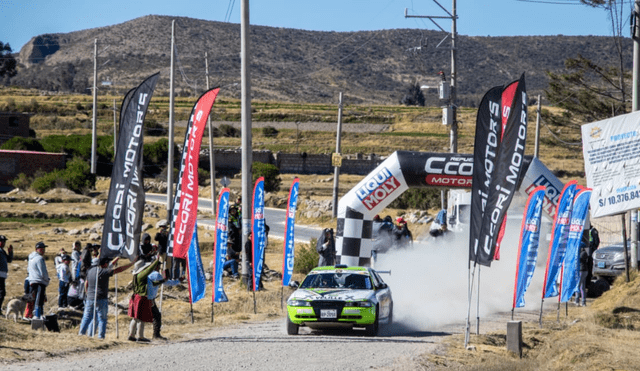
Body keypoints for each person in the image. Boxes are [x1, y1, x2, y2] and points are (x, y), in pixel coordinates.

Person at [78, 256, 135, 339]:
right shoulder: (103, 272)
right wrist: (131, 264)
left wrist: (88, 293)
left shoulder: (90, 271)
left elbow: (86, 283)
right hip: (101, 298)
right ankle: (101, 337)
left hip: (90, 298)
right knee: (102, 319)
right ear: (104, 264)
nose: (108, 264)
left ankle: (81, 334)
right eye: (107, 263)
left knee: (86, 317)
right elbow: (118, 270)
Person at [128, 256, 160, 342]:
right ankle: (140, 336)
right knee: (141, 318)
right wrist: (157, 261)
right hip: (141, 298)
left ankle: (131, 335)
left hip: (136, 297)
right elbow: (149, 269)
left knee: (135, 318)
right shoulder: (141, 275)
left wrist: (162, 281)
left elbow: (151, 283)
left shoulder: (136, 276)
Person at [147, 262, 177, 340]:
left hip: (143, 296)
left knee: (138, 317)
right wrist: (178, 281)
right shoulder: (156, 274)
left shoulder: (145, 273)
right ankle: (156, 335)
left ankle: (132, 334)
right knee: (156, 315)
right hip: (150, 298)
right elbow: (167, 282)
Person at [28, 241, 50, 319]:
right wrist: (47, 280)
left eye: (44, 248)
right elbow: (43, 271)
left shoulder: (30, 258)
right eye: (42, 248)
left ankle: (34, 314)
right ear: (38, 249)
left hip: (32, 281)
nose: (43, 250)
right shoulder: (40, 258)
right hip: (39, 281)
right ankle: (38, 315)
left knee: (34, 299)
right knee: (39, 300)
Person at [0, 235, 13, 316]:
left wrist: (10, 252)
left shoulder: (3, 251)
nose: (3, 243)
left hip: (2, 275)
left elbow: (9, 260)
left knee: (2, 292)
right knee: (1, 292)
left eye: (4, 241)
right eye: (1, 241)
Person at [576, 243, 590, 307]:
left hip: (582, 271)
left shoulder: (583, 253)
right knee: (582, 287)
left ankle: (577, 301)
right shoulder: (583, 253)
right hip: (583, 271)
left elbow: (579, 259)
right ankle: (583, 302)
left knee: (578, 286)